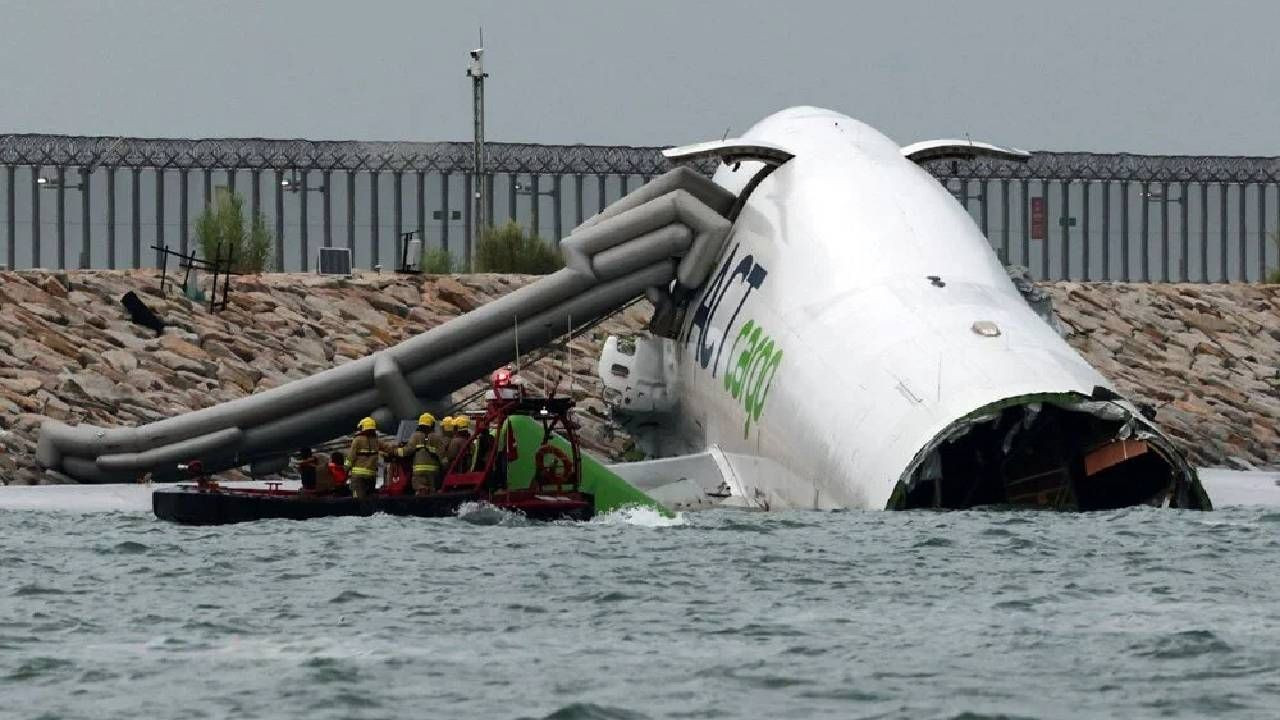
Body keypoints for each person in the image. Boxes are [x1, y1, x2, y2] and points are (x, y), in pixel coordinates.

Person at [397, 412, 444, 496]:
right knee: (432, 492)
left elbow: (407, 451)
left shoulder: (415, 436)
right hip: (433, 473)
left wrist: (396, 451)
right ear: (432, 424)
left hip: (419, 472)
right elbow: (442, 456)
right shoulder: (437, 438)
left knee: (420, 490)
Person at [345, 417, 384, 500]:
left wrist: (345, 470)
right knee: (370, 497)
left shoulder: (357, 440)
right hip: (371, 475)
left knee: (357, 498)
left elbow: (351, 457)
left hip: (358, 476)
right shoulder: (376, 440)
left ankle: (359, 511)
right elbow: (386, 449)